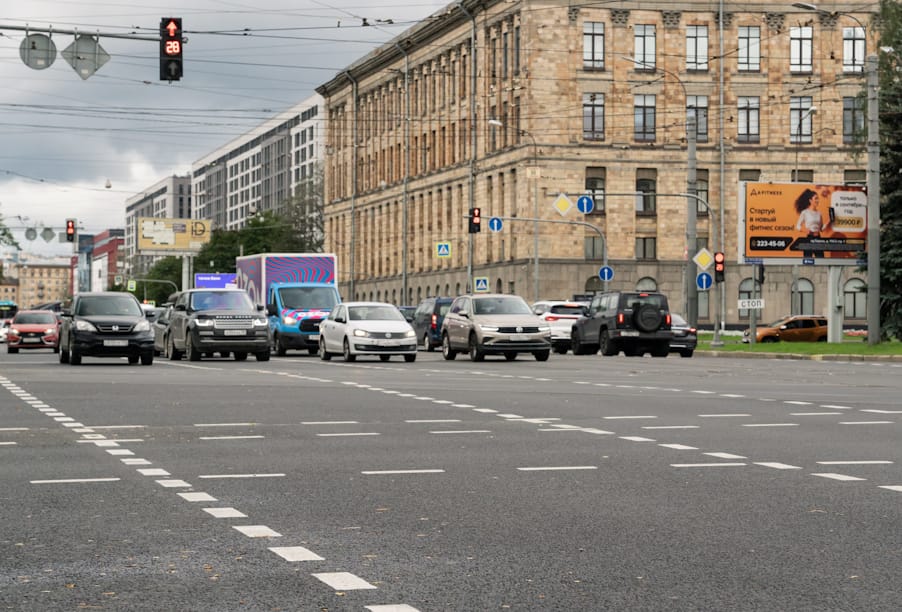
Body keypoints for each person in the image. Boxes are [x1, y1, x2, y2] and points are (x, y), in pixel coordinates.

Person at [794, 188, 830, 258]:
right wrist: (806, 231)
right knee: (807, 260)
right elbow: (798, 226)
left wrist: (829, 221)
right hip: (809, 238)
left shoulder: (819, 213)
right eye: (816, 198)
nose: (817, 200)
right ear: (810, 200)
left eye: (818, 199)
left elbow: (821, 229)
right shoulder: (805, 212)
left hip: (818, 239)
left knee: (821, 259)